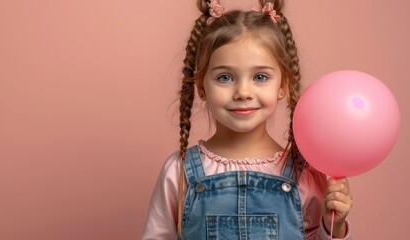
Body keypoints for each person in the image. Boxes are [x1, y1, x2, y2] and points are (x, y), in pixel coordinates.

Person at [142, 0, 353, 239]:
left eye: (260, 77)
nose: (243, 92)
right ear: (201, 87)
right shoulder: (179, 172)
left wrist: (333, 226)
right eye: (224, 77)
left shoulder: (303, 173)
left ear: (282, 86)